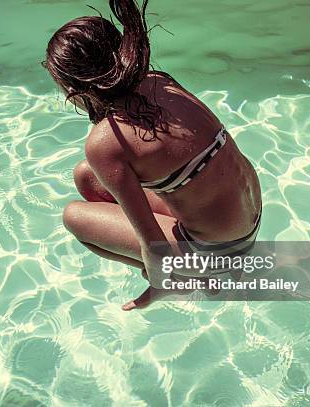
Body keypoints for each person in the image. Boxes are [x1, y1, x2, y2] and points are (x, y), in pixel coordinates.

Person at [42, 0, 262, 311]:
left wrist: (160, 286)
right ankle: (202, 267)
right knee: (85, 176)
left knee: (73, 217)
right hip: (246, 222)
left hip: (219, 251)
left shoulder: (106, 142)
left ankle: (199, 278)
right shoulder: (160, 82)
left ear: (75, 89)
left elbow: (155, 247)